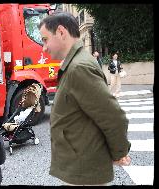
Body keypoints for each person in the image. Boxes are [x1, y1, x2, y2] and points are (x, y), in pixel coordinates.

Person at [38, 12, 131, 186]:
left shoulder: (78, 67)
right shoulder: (75, 63)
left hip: (85, 172)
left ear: (61, 32)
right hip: (82, 166)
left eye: (45, 39)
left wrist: (119, 152)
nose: (44, 47)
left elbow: (112, 117)